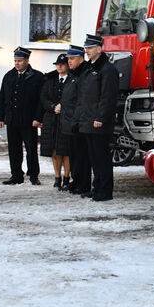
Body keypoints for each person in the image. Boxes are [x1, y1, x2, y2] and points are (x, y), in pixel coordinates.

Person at [77, 34, 120, 202]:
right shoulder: (90, 68)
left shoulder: (107, 69)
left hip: (99, 121)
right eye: (86, 48)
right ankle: (97, 188)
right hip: (88, 119)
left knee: (102, 158)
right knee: (94, 158)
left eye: (89, 48)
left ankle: (105, 191)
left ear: (99, 49)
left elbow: (107, 97)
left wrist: (100, 117)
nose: (86, 51)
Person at [0, 46, 44, 185]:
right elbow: (2, 97)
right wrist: (0, 117)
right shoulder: (9, 76)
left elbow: (40, 101)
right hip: (12, 119)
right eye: (15, 60)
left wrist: (38, 118)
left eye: (20, 61)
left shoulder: (37, 77)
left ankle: (33, 175)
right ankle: (16, 175)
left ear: (27, 61)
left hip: (29, 120)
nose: (17, 63)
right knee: (14, 149)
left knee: (31, 149)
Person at [59, 45, 92, 196]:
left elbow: (81, 101)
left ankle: (83, 184)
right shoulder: (73, 75)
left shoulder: (83, 75)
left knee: (81, 156)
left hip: (78, 122)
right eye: (68, 59)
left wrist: (76, 120)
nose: (69, 62)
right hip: (69, 122)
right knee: (73, 155)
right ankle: (76, 181)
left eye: (72, 58)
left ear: (80, 59)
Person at [37, 54, 71, 189]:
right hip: (52, 118)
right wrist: (52, 107)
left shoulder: (73, 79)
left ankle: (67, 177)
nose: (59, 66)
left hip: (66, 118)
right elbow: (43, 98)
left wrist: (64, 107)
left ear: (68, 65)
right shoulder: (50, 81)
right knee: (54, 150)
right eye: (57, 64)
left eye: (62, 64)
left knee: (66, 150)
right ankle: (57, 177)